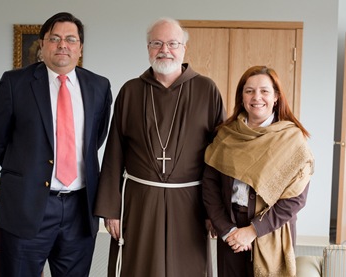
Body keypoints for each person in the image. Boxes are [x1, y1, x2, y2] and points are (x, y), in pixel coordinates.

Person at [0, 12, 112, 277]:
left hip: (80, 209)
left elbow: (95, 139)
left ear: (80, 47)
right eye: (54, 38)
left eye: (70, 39)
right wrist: (25, 168)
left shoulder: (98, 86)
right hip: (26, 207)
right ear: (42, 44)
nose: (62, 44)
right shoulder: (15, 83)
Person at [94, 17, 225, 277]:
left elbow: (220, 156)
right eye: (157, 43)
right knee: (139, 266)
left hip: (191, 203)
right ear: (148, 48)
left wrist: (215, 211)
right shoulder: (131, 91)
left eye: (172, 43)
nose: (165, 49)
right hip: (140, 201)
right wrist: (111, 211)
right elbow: (114, 154)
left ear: (184, 48)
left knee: (187, 267)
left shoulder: (206, 89)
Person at [202, 65, 314, 277]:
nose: (256, 97)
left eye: (264, 91)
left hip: (271, 229)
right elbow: (210, 185)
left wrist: (253, 231)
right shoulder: (226, 134)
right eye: (249, 90)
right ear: (241, 96)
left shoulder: (292, 140)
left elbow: (296, 198)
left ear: (276, 97)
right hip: (230, 229)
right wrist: (227, 230)